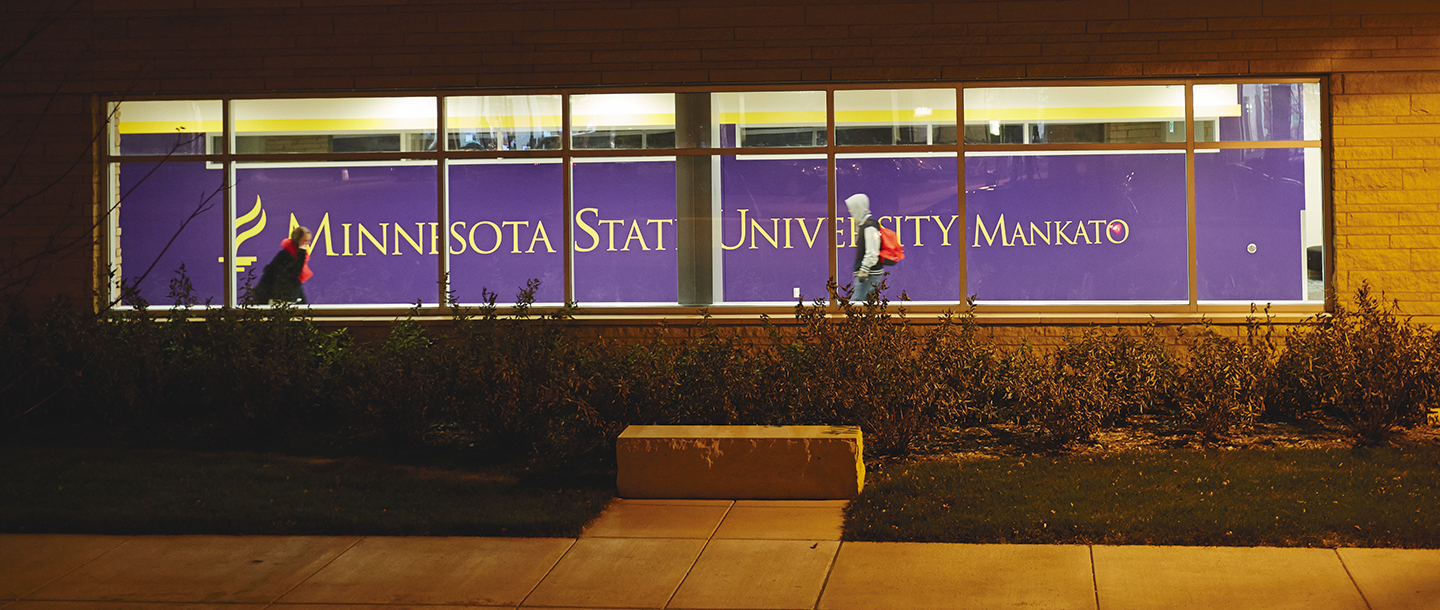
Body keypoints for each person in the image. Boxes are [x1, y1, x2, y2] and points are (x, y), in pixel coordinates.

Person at [253, 226, 313, 305]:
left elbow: (295, 282)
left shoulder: (296, 256)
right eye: (305, 241)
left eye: (308, 241)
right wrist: (301, 254)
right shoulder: (285, 256)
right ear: (297, 240)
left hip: (288, 298)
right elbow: (293, 274)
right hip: (278, 300)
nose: (307, 244)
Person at [845, 193, 884, 301]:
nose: (850, 211)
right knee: (866, 307)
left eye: (852, 208)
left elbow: (872, 251)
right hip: (868, 275)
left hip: (868, 276)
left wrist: (864, 270)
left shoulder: (869, 226)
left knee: (855, 307)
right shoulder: (865, 225)